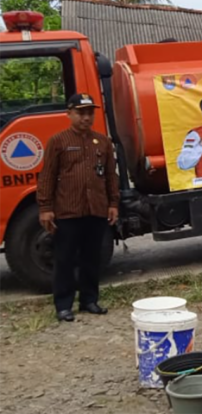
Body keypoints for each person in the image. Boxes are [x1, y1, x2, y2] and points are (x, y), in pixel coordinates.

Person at [37, 93, 119, 322]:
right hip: (68, 211)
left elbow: (111, 176)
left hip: (96, 210)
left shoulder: (102, 142)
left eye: (89, 113)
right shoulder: (58, 141)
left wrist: (113, 203)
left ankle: (89, 300)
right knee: (65, 259)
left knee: (92, 258)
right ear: (69, 113)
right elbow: (47, 176)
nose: (86, 117)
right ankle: (63, 305)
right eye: (80, 113)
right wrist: (45, 207)